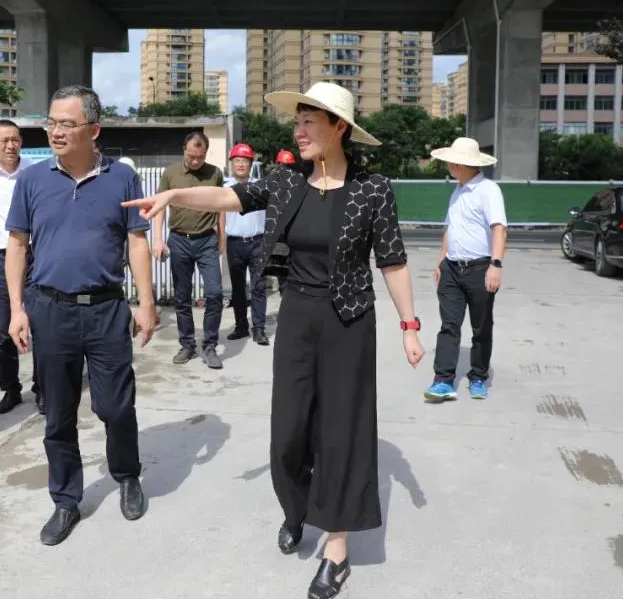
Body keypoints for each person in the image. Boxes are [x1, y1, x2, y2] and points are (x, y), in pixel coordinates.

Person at [123, 81, 425, 599]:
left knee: (342, 432)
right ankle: (297, 508)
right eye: (297, 122)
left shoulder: (372, 189)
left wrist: (410, 324)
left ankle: (336, 550)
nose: (299, 131)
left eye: (310, 122)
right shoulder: (286, 181)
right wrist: (173, 195)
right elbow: (227, 197)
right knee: (288, 433)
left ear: (339, 128)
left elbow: (392, 260)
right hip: (299, 316)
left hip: (350, 320)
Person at [5, 85, 157, 547]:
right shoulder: (32, 180)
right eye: (51, 122)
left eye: (66, 124)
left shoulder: (121, 177)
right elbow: (17, 245)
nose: (55, 131)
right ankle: (66, 500)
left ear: (93, 130)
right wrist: (16, 309)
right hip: (50, 309)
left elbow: (136, 241)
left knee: (115, 405)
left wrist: (146, 302)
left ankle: (127, 475)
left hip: (107, 309)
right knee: (58, 411)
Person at [424, 137, 508, 402]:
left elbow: (499, 229)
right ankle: (443, 380)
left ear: (461, 164)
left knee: (481, 327)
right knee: (449, 325)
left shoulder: (488, 190)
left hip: (480, 269)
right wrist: (441, 261)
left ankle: (478, 376)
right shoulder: (457, 191)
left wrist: (495, 265)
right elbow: (450, 229)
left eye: (451, 161)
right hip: (451, 269)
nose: (448, 165)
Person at [0, 120, 38, 414]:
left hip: (37, 255)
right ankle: (10, 388)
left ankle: (43, 387)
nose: (11, 145)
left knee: (42, 325)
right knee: (5, 328)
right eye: (4, 140)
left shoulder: (35, 172)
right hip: (1, 258)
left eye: (15, 139)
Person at [152, 132, 225, 369]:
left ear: (206, 153)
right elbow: (160, 207)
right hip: (179, 241)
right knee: (182, 297)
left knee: (214, 293)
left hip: (207, 241)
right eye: (192, 156)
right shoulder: (170, 173)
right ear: (184, 149)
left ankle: (210, 345)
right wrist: (157, 239)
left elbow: (221, 205)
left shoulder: (215, 173)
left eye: (200, 157)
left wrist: (222, 236)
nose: (195, 161)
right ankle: (187, 344)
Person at [223, 142, 269, 346]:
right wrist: (220, 240)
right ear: (232, 163)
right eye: (237, 160)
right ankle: (241, 326)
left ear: (251, 163)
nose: (241, 164)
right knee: (238, 288)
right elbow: (220, 215)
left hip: (258, 242)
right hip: (234, 243)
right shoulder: (225, 188)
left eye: (245, 160)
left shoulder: (261, 186)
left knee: (258, 286)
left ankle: (259, 329)